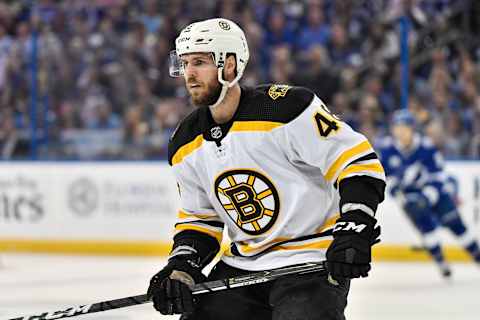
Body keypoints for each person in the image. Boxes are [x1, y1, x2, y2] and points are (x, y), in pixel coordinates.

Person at [147, 18, 386, 320]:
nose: (189, 74)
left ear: (229, 66)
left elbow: (356, 161)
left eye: (200, 62)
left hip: (310, 262)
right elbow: (200, 219)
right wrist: (181, 267)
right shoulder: (185, 142)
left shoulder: (286, 109)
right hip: (243, 266)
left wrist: (355, 225)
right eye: (185, 63)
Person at [377, 110, 480, 278]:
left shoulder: (426, 147)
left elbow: (438, 176)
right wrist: (396, 190)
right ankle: (441, 262)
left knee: (456, 225)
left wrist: (427, 196)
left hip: (436, 195)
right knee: (426, 230)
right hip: (411, 198)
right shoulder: (388, 151)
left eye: (404, 127)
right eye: (397, 127)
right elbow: (386, 176)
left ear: (412, 129)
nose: (400, 131)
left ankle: (477, 257)